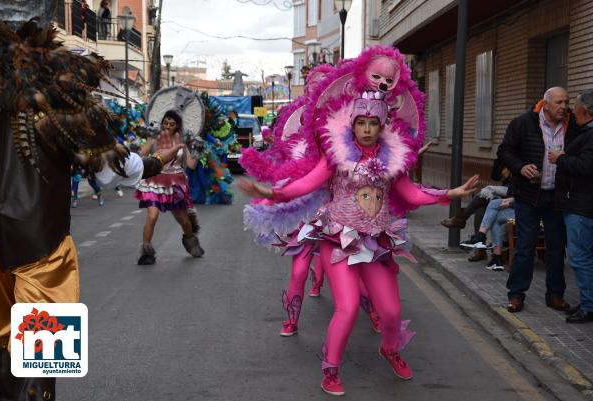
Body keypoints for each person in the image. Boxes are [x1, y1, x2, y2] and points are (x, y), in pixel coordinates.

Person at [239, 46, 479, 396]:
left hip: (377, 243)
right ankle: (331, 370)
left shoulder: (393, 158)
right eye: (361, 123)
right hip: (338, 240)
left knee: (392, 313)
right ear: (352, 123)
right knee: (349, 307)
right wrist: (271, 192)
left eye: (373, 124)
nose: (367, 129)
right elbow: (306, 184)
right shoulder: (334, 155)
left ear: (382, 126)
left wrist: (451, 193)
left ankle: (389, 348)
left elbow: (410, 195)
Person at [0, 9, 183, 400]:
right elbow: (117, 169)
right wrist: (160, 161)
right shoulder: (65, 101)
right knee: (41, 361)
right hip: (40, 247)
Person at [497, 87, 574, 313]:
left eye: (566, 102)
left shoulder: (572, 127)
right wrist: (520, 167)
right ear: (546, 104)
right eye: (559, 102)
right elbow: (504, 152)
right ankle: (516, 294)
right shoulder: (523, 123)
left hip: (557, 196)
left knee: (557, 247)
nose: (564, 107)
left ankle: (555, 295)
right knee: (525, 246)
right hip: (528, 195)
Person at [135, 110, 204, 265]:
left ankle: (191, 243)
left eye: (172, 124)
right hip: (155, 180)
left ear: (177, 125)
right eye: (165, 122)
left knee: (185, 223)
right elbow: (139, 157)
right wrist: (149, 141)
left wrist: (197, 151)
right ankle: (145, 253)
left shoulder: (182, 139)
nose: (167, 126)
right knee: (152, 216)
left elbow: (191, 166)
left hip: (175, 183)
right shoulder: (155, 137)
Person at [549, 90, 593, 324]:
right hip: (579, 204)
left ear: (584, 110)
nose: (570, 110)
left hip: (581, 206)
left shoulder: (590, 134)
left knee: (580, 258)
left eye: (573, 106)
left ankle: (589, 306)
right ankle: (588, 301)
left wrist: (560, 158)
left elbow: (586, 166)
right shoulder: (584, 131)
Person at [460, 197, 515, 271]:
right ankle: (496, 258)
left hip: (528, 216)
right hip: (520, 210)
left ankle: (480, 238)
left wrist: (510, 203)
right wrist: (511, 200)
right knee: (493, 213)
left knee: (493, 209)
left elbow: (528, 200)